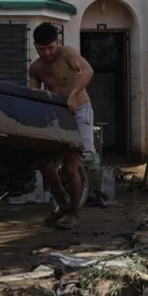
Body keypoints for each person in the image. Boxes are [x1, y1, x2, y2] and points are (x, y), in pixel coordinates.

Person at [29, 22, 95, 230]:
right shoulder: (36, 68)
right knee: (43, 163)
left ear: (57, 42)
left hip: (79, 110)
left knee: (70, 164)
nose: (47, 53)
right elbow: (35, 96)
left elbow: (88, 71)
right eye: (42, 49)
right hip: (56, 115)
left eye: (50, 47)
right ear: (35, 46)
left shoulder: (67, 53)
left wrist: (73, 95)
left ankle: (74, 213)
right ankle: (63, 204)